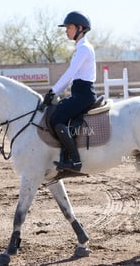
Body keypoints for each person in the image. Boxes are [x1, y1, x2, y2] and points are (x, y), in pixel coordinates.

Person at [42, 11, 97, 173]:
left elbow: (70, 74)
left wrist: (53, 92)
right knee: (59, 113)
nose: (66, 31)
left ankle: (74, 161)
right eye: (66, 28)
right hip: (79, 93)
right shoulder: (81, 48)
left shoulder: (84, 49)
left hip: (83, 95)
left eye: (69, 27)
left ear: (80, 28)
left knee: (57, 118)